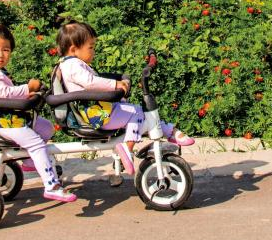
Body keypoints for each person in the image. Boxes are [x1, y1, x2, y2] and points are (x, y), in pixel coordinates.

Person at [54, 21, 193, 176]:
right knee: (137, 114)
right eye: (91, 47)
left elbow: (92, 81)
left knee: (138, 111)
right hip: (96, 115)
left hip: (98, 111)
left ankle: (169, 131)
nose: (94, 51)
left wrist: (117, 84)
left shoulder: (71, 63)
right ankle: (128, 149)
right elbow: (91, 82)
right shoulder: (73, 65)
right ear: (73, 49)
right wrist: (116, 85)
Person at [0, 22, 77, 203]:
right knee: (37, 143)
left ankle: (29, 160)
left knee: (46, 128)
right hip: (3, 122)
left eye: (6, 50)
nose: (0, 55)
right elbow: (4, 94)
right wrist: (27, 88)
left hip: (12, 118)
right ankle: (51, 185)